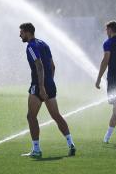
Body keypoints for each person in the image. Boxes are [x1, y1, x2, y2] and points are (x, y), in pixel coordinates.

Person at [19, 22, 76, 158]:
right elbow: (52, 66)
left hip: (39, 86)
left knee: (31, 116)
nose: (20, 35)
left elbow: (39, 66)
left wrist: (42, 87)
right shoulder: (44, 44)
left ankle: (36, 150)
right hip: (50, 84)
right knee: (56, 116)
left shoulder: (31, 46)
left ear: (27, 32)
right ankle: (71, 144)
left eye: (21, 32)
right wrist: (49, 83)